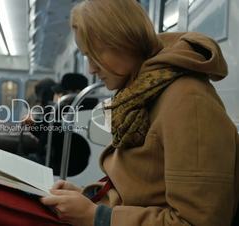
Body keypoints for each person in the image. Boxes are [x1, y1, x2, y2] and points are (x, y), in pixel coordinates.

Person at [40, 1, 239, 226]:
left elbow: (196, 221)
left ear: (123, 40)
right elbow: (143, 189)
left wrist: (97, 217)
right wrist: (88, 197)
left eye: (94, 55)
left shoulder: (189, 102)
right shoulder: (140, 94)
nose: (91, 70)